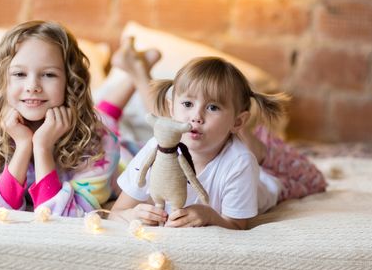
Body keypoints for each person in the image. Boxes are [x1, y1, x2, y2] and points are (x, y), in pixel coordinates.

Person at [0, 20, 160, 217]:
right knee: (103, 115)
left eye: (48, 75)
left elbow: (64, 214)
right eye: (19, 73)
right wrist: (23, 145)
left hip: (121, 158)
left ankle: (138, 73)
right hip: (93, 123)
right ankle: (135, 68)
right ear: (3, 82)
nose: (32, 86)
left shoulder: (99, 143)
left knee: (105, 120)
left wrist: (42, 147)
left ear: (71, 83)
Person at [108, 56, 327, 229]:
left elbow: (237, 224)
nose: (196, 116)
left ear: (237, 121)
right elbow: (117, 212)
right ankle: (138, 69)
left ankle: (267, 148)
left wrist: (210, 216)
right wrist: (131, 214)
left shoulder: (240, 162)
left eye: (213, 107)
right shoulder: (156, 149)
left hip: (267, 183)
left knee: (310, 179)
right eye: (187, 103)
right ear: (171, 109)